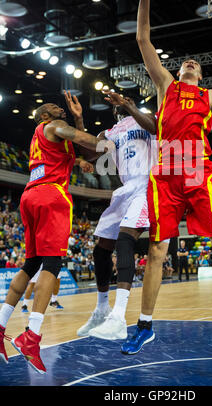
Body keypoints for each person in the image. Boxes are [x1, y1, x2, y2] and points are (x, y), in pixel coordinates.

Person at [105, 0, 212, 358]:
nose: (190, 63)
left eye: (195, 63)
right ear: (179, 72)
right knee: (157, 250)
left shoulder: (209, 96)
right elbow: (143, 39)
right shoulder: (165, 85)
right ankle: (144, 327)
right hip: (165, 177)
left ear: (202, 74)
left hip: (196, 172)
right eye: (186, 62)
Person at [0, 101, 106, 373]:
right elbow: (86, 141)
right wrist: (112, 140)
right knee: (53, 264)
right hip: (51, 195)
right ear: (44, 116)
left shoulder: (50, 137)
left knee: (31, 264)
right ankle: (31, 337)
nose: (62, 108)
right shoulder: (54, 125)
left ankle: (0, 327)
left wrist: (81, 121)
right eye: (54, 107)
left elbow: (82, 151)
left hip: (30, 196)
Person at [64, 91, 156, 341]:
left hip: (147, 185)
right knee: (101, 248)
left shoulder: (146, 118)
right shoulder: (111, 131)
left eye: (125, 101)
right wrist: (80, 121)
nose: (121, 105)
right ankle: (102, 309)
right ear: (114, 111)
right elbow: (90, 152)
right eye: (119, 104)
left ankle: (119, 317)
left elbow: (158, 128)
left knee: (125, 241)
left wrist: (130, 106)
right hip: (125, 189)